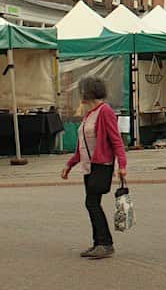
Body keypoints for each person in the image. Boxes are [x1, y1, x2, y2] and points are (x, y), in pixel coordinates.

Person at [61, 77, 127, 259]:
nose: (79, 95)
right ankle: (98, 243)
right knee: (92, 203)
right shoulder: (89, 113)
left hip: (101, 165)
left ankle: (105, 243)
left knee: (91, 203)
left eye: (82, 91)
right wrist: (69, 164)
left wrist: (122, 165)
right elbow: (82, 146)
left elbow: (116, 141)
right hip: (89, 166)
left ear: (89, 93)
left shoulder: (105, 111)